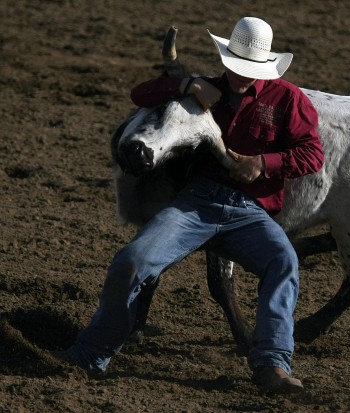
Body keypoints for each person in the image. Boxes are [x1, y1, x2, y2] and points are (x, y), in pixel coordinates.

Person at [54, 17, 324, 394]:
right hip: (197, 203)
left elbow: (312, 154)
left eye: (250, 71)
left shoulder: (287, 99)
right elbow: (141, 94)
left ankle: (272, 365)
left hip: (249, 209)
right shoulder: (203, 89)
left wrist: (263, 163)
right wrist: (186, 84)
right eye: (235, 67)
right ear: (226, 58)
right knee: (132, 261)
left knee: (283, 261)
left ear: (266, 68)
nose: (241, 77)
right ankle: (91, 353)